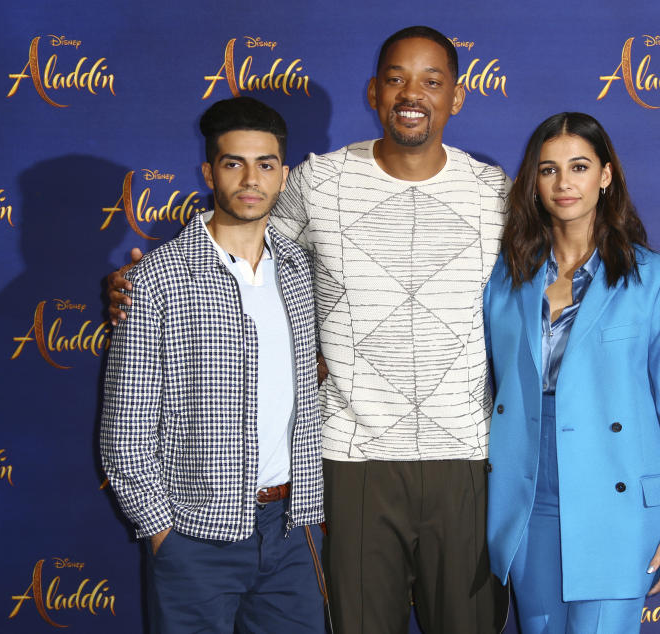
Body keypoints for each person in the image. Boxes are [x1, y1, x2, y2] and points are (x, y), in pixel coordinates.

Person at [108, 26, 508, 634]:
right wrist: (139, 286)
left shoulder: (494, 192)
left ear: (457, 96)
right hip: (350, 460)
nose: (412, 93)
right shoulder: (316, 182)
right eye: (397, 78)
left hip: (465, 456)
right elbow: (242, 240)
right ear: (374, 91)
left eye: (432, 81)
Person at [99, 97, 327, 633]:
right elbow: (124, 428)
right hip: (194, 537)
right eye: (234, 163)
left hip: (292, 531)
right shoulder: (156, 279)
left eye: (265, 164)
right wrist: (162, 533)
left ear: (283, 174)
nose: (251, 179)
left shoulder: (299, 271)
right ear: (208, 171)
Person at [482, 112, 660, 633]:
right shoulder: (506, 278)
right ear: (533, 183)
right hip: (528, 500)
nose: (564, 183)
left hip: (618, 503)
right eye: (548, 170)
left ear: (605, 176)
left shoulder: (658, 279)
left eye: (579, 166)